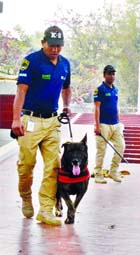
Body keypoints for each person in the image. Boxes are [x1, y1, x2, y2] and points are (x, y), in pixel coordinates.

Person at [11, 26, 71, 225]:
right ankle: (26, 196)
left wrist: (67, 105)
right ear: (43, 43)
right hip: (31, 121)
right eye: (51, 45)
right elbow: (21, 91)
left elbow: (67, 88)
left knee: (53, 166)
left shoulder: (65, 65)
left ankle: (45, 209)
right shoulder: (32, 62)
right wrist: (16, 119)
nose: (55, 49)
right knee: (26, 166)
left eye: (59, 46)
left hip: (52, 121)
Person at [93, 65, 125, 184]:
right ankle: (98, 174)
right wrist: (97, 126)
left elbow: (116, 106)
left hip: (115, 124)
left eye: (113, 74)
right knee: (101, 150)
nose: (112, 76)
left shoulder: (115, 90)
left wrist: (119, 121)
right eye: (109, 74)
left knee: (121, 146)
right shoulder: (99, 89)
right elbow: (97, 108)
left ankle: (113, 171)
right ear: (104, 75)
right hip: (103, 124)